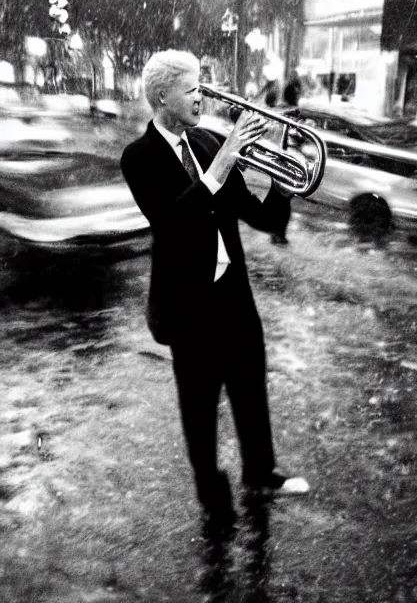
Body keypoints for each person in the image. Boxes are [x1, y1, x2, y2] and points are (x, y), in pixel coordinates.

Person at [121, 50, 309, 537]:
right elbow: (173, 222)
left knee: (251, 392)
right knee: (199, 409)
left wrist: (286, 185)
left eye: (204, 87)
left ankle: (261, 475)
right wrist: (221, 165)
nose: (203, 97)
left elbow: (260, 217)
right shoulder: (139, 158)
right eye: (193, 89)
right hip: (188, 307)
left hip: (233, 297)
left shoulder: (206, 141)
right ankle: (212, 497)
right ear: (163, 97)